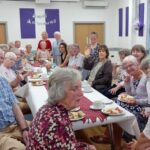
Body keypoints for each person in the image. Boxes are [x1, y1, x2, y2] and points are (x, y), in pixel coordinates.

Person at [26, 68, 96, 150]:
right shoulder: (58, 122)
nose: (81, 93)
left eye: (80, 87)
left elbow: (65, 144)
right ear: (59, 92)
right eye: (74, 89)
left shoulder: (48, 108)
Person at [117, 55, 148, 133]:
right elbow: (130, 94)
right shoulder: (131, 77)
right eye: (126, 67)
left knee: (121, 112)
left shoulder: (146, 77)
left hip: (145, 106)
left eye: (131, 65)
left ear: (137, 64)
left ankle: (132, 136)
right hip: (135, 104)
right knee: (115, 105)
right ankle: (115, 134)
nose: (128, 69)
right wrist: (126, 83)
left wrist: (136, 101)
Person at [127, 56, 150, 150]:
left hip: (142, 105)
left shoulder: (147, 80)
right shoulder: (134, 78)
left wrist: (137, 146)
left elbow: (145, 139)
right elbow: (131, 93)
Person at [0, 76, 29, 150]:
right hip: (1, 133)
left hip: (14, 125)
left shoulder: (2, 80)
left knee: (42, 131)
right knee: (20, 148)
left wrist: (25, 129)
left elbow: (15, 107)